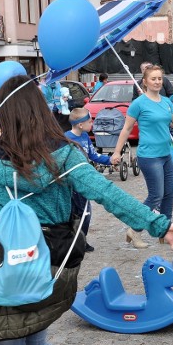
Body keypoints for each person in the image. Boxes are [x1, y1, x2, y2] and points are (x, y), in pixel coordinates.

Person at [0, 74, 173, 345]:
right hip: (52, 266)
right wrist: (160, 226)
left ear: (3, 115)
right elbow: (107, 192)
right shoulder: (66, 154)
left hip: (4, 268)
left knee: (11, 343)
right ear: (41, 110)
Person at [111, 65, 173, 248]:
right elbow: (126, 129)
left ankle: (164, 232)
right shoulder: (139, 103)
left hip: (166, 154)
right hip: (149, 156)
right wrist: (117, 152)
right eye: (153, 79)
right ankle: (134, 230)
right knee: (155, 195)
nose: (157, 82)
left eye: (159, 79)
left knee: (170, 192)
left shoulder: (166, 101)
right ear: (145, 82)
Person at [65, 107, 113, 252]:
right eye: (89, 121)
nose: (92, 123)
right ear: (80, 124)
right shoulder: (65, 139)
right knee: (75, 214)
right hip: (71, 183)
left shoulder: (85, 137)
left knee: (85, 213)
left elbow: (93, 155)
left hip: (84, 181)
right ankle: (74, 242)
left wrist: (110, 160)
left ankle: (81, 240)